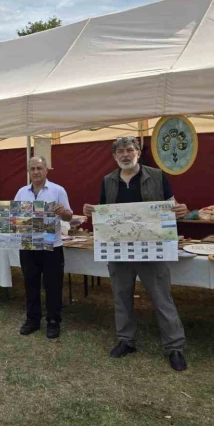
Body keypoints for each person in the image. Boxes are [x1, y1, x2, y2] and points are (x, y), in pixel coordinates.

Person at [83, 136, 189, 371]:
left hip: (152, 249)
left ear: (138, 153)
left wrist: (181, 210)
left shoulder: (157, 176)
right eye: (120, 151)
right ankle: (126, 340)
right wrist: (91, 211)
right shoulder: (108, 181)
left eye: (130, 150)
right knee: (121, 296)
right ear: (114, 156)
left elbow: (173, 206)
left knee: (162, 298)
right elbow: (104, 212)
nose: (125, 155)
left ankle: (174, 347)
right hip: (118, 250)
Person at [15, 156, 73, 339]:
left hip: (51, 246)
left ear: (47, 170)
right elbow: (13, 218)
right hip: (28, 246)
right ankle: (32, 320)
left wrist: (64, 212)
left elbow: (69, 217)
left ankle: (53, 321)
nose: (36, 172)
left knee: (53, 285)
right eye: (32, 169)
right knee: (30, 283)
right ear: (29, 172)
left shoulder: (57, 190)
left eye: (39, 168)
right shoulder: (22, 192)